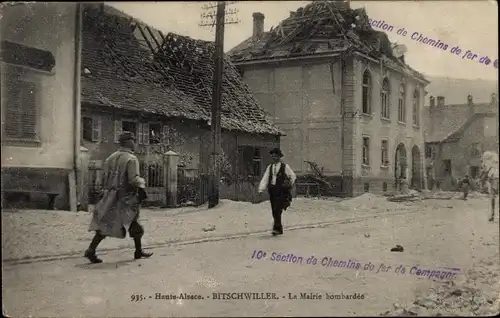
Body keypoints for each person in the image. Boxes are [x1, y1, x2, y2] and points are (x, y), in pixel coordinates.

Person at [84, 131, 153, 263]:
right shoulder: (131, 159)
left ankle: (91, 250)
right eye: (133, 140)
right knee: (134, 222)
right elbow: (133, 179)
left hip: (110, 196)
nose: (135, 142)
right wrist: (142, 183)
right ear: (128, 142)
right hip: (127, 197)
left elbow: (104, 177)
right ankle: (138, 251)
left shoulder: (111, 158)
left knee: (105, 224)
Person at [258, 148, 296, 236]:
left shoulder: (285, 166)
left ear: (279, 157)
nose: (274, 158)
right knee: (274, 210)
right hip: (272, 190)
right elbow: (265, 178)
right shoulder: (270, 167)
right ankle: (278, 228)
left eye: (276, 156)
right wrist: (261, 189)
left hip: (281, 191)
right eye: (273, 156)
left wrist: (288, 183)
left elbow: (292, 176)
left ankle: (277, 228)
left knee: (277, 209)